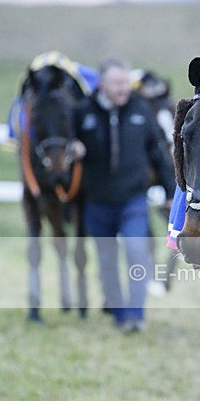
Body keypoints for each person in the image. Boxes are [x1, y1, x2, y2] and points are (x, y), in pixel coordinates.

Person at [73, 57, 175, 332]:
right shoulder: (83, 112)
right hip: (96, 202)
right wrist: (73, 150)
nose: (123, 88)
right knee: (106, 262)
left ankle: (136, 315)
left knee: (136, 252)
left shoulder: (141, 110)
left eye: (125, 82)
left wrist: (170, 192)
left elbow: (158, 153)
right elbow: (64, 147)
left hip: (133, 200)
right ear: (102, 85)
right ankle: (120, 316)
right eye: (116, 83)